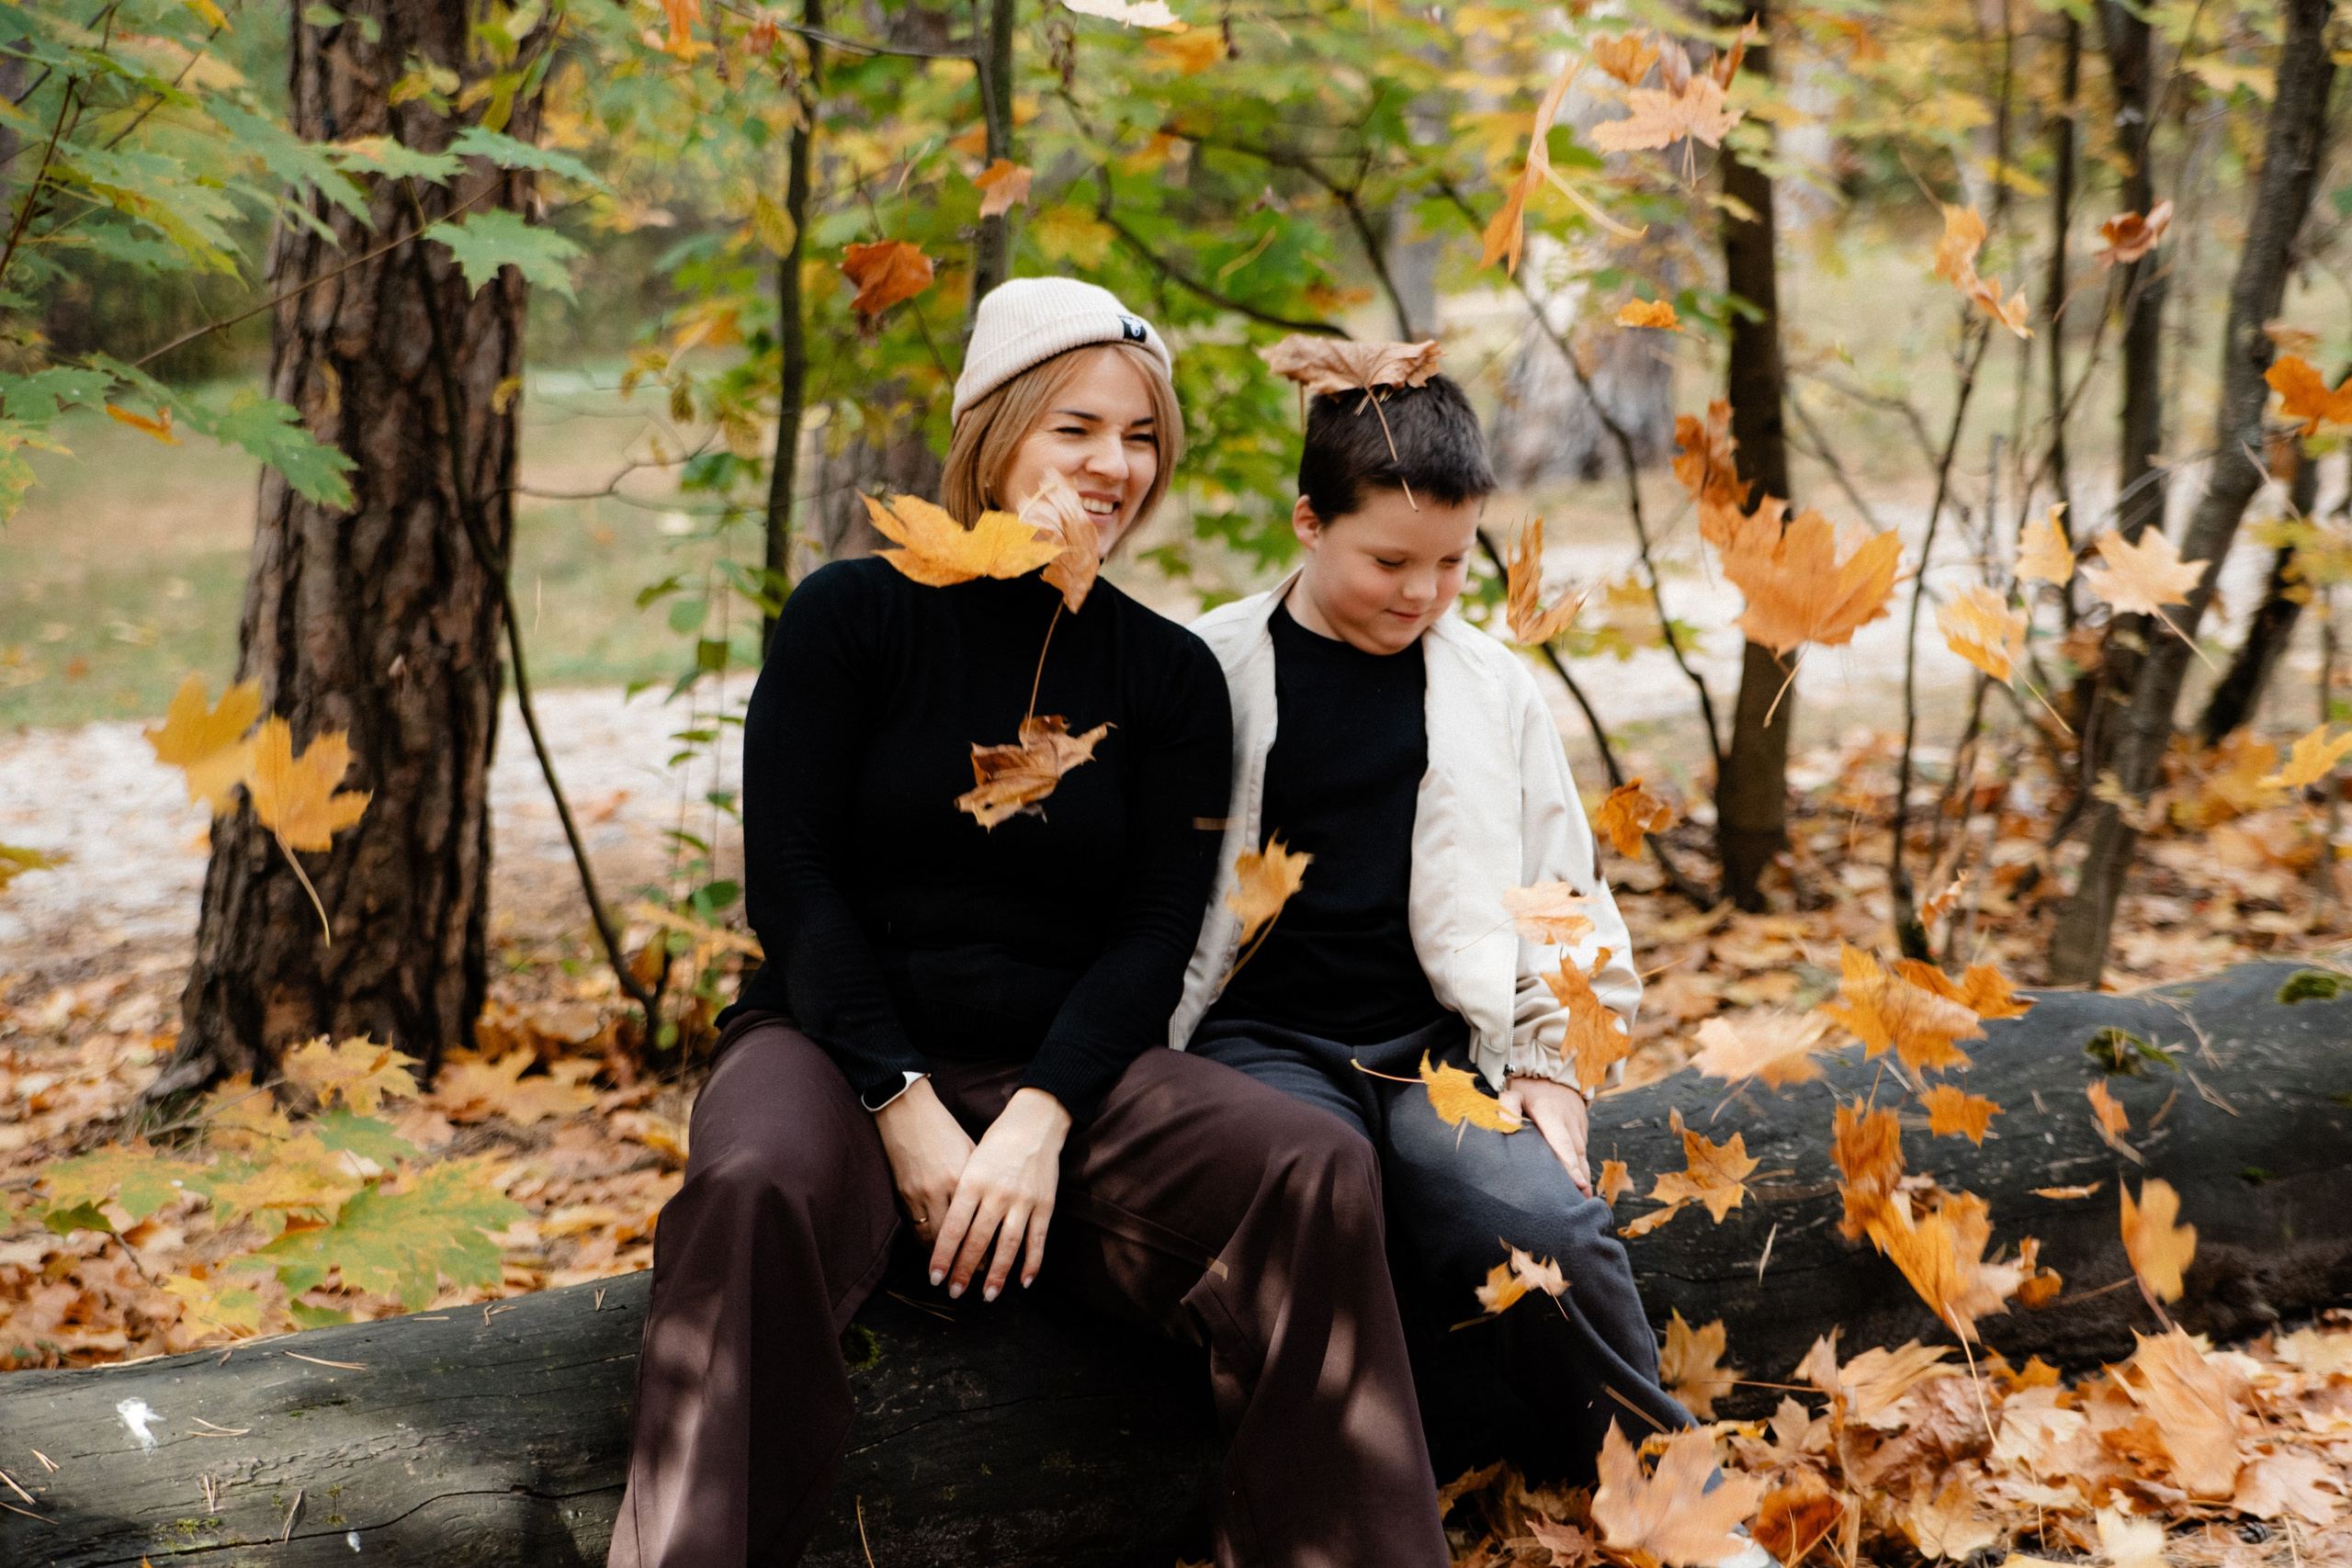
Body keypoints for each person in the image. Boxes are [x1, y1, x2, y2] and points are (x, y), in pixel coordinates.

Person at [608, 278, 1453, 1568]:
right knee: (751, 1183)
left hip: (1070, 1074)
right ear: (994, 428)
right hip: (832, 1051)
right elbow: (791, 883)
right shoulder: (852, 614)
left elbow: (1157, 926)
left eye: (1141, 436)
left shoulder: (1164, 672)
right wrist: (899, 1101)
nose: (1115, 465)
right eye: (1078, 427)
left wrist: (1043, 1118)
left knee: (1309, 1164)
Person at [1168, 372, 1699, 1481]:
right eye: (1389, 562)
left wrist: (1556, 1065)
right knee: (1335, 1212)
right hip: (1257, 1045)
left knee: (1540, 1228)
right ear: (1308, 524)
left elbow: (1561, 885)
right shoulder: (1208, 670)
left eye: (1453, 563)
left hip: (1436, 1052)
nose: (1423, 592)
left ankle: (1669, 1495)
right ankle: (1365, 1505)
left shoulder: (1486, 689)